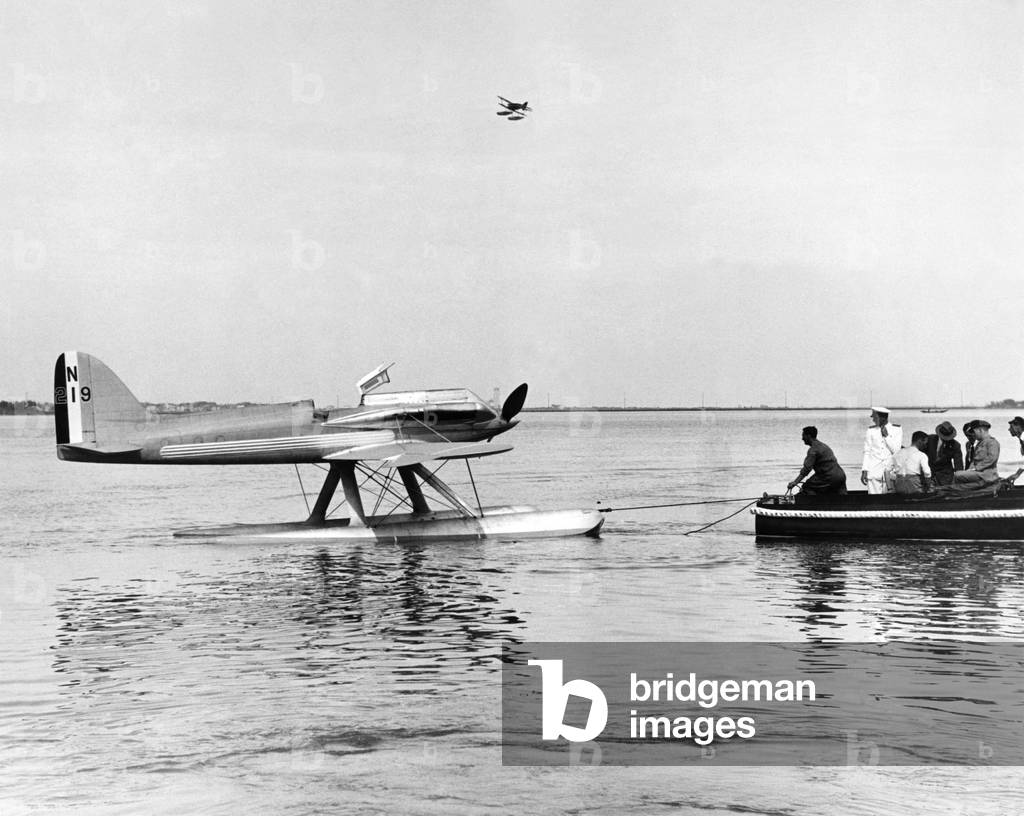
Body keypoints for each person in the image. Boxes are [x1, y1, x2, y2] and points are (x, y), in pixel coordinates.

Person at [787, 426, 848, 495]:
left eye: (803, 436)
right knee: (841, 496)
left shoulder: (813, 450)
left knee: (807, 487)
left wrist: (795, 482)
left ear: (808, 436)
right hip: (841, 476)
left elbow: (806, 470)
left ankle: (813, 504)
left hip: (828, 477)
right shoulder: (824, 446)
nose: (802, 439)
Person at [861, 407, 902, 494]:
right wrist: (864, 470)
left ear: (882, 417)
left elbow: (897, 451)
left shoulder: (896, 429)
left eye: (875, 417)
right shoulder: (871, 430)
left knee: (889, 501)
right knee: (873, 501)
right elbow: (867, 451)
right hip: (873, 471)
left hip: (889, 473)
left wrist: (887, 437)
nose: (873, 420)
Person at [954, 420, 1000, 486]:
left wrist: (976, 468)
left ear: (980, 430)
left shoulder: (992, 443)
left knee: (958, 475)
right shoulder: (980, 444)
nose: (973, 435)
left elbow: (991, 459)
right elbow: (974, 461)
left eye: (974, 432)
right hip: (979, 473)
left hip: (987, 475)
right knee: (959, 474)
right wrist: (969, 470)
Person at [925, 421, 963, 486]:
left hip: (946, 478)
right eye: (944, 437)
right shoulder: (929, 439)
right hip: (928, 475)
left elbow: (959, 466)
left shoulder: (956, 445)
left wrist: (959, 481)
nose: (946, 439)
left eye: (948, 438)